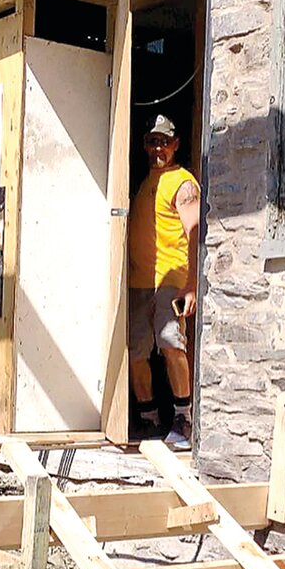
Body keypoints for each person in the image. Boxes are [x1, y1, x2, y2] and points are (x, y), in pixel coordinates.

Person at [127, 114, 201, 450]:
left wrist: (192, 285)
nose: (158, 147)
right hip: (140, 280)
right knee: (136, 351)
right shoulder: (145, 182)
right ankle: (149, 419)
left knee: (171, 342)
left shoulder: (183, 182)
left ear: (176, 144)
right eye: (152, 141)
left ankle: (183, 418)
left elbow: (196, 231)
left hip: (171, 276)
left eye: (164, 141)